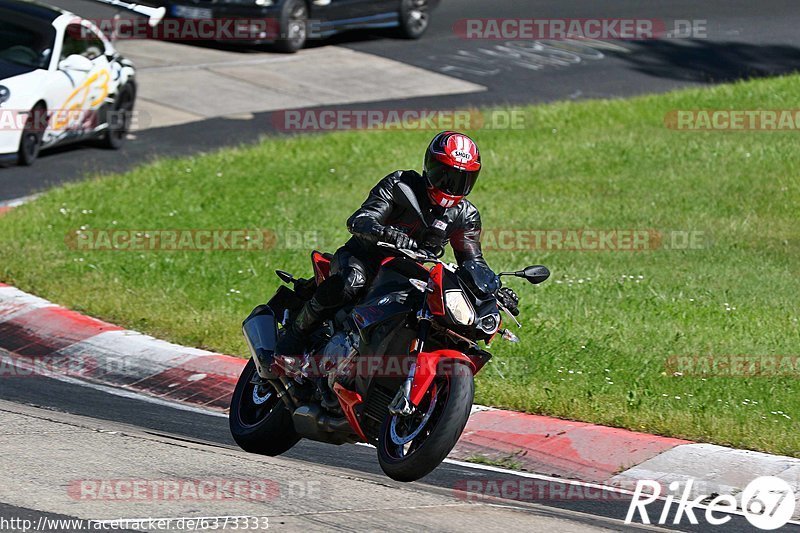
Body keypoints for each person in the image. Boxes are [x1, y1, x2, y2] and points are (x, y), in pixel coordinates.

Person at [276, 131, 519, 356]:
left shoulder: (466, 215)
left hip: (413, 276)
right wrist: (385, 233)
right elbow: (360, 219)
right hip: (366, 258)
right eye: (443, 175)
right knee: (352, 282)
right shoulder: (400, 184)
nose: (450, 185)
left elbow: (472, 261)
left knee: (445, 315)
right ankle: (296, 335)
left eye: (460, 179)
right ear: (428, 167)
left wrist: (493, 290)